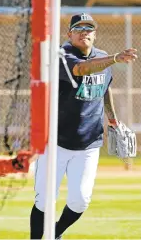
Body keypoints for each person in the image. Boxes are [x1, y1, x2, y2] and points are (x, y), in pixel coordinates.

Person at [30, 13, 138, 239]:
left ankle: (55, 234)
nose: (84, 32)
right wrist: (116, 58)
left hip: (89, 143)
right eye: (79, 29)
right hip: (55, 142)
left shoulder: (103, 58)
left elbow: (105, 86)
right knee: (44, 199)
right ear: (69, 34)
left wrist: (113, 119)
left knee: (80, 201)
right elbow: (82, 69)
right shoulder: (62, 55)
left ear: (95, 34)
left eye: (89, 28)